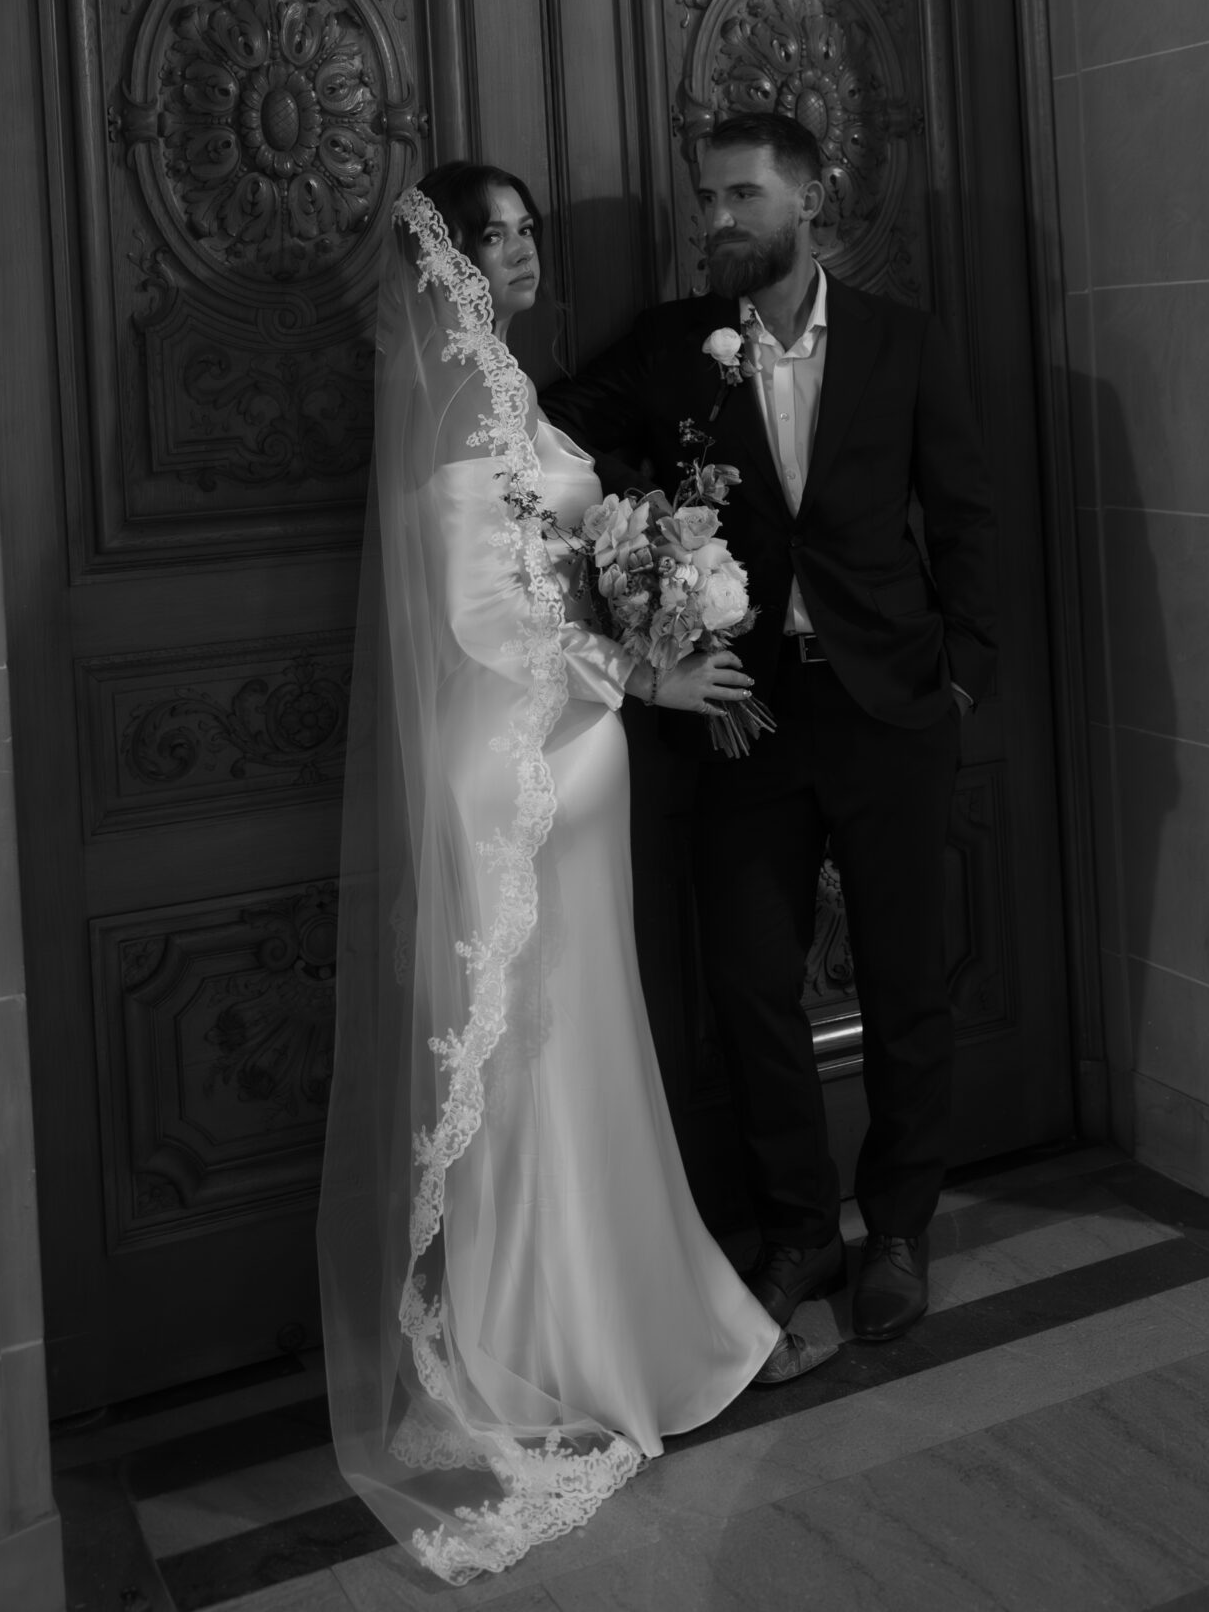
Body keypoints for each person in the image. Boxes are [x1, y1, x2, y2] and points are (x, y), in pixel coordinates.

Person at [318, 162, 832, 1589]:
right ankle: (550, 1337)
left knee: (583, 1039)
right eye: (510, 233)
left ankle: (616, 1299)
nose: (533, 249)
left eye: (535, 228)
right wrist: (643, 674)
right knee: (536, 1047)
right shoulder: (458, 418)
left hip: (574, 761)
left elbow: (555, 556)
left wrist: (648, 580)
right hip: (524, 771)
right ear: (459, 260)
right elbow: (484, 621)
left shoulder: (513, 396)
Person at [545, 114, 997, 1346]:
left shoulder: (903, 342)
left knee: (908, 985)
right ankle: (799, 1230)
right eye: (707, 199)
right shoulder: (670, 350)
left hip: (892, 709)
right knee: (749, 986)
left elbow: (964, 512)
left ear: (812, 201)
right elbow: (537, 435)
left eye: (742, 195)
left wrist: (960, 677)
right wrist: (635, 567)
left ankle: (898, 1228)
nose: (718, 219)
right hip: (740, 718)